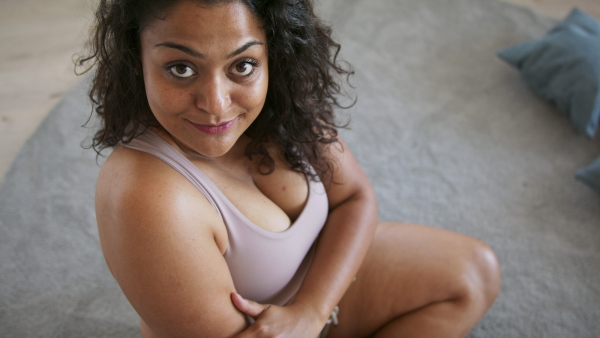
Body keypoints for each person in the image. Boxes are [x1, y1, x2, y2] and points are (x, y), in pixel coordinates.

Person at [79, 0, 501, 336]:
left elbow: (354, 197)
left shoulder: (284, 106)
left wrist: (312, 311)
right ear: (136, 60)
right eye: (181, 68)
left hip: (315, 296)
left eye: (242, 65)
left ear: (273, 52)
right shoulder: (144, 192)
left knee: (473, 274)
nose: (216, 103)